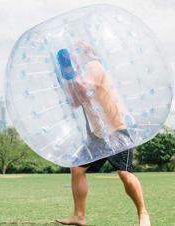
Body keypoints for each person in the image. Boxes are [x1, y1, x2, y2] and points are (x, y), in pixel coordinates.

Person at [55, 42, 150, 226]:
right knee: (77, 169)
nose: (74, 56)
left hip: (116, 131)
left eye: (76, 52)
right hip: (97, 135)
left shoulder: (93, 66)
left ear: (86, 52)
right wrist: (67, 79)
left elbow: (87, 88)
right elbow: (75, 102)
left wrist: (70, 73)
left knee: (125, 174)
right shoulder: (80, 74)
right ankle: (79, 216)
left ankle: (143, 213)